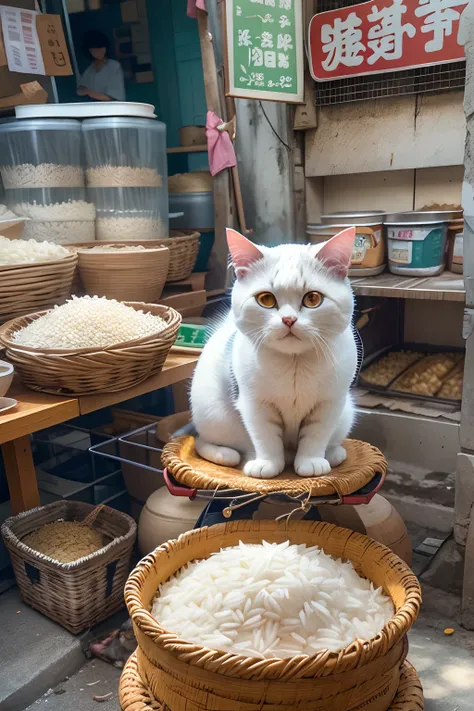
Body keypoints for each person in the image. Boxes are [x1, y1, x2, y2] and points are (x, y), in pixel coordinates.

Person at [77, 30, 125, 102]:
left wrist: (90, 93)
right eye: (93, 50)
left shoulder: (114, 66)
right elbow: (80, 88)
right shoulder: (90, 68)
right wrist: (83, 90)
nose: (97, 52)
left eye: (100, 48)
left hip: (113, 108)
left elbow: (114, 96)